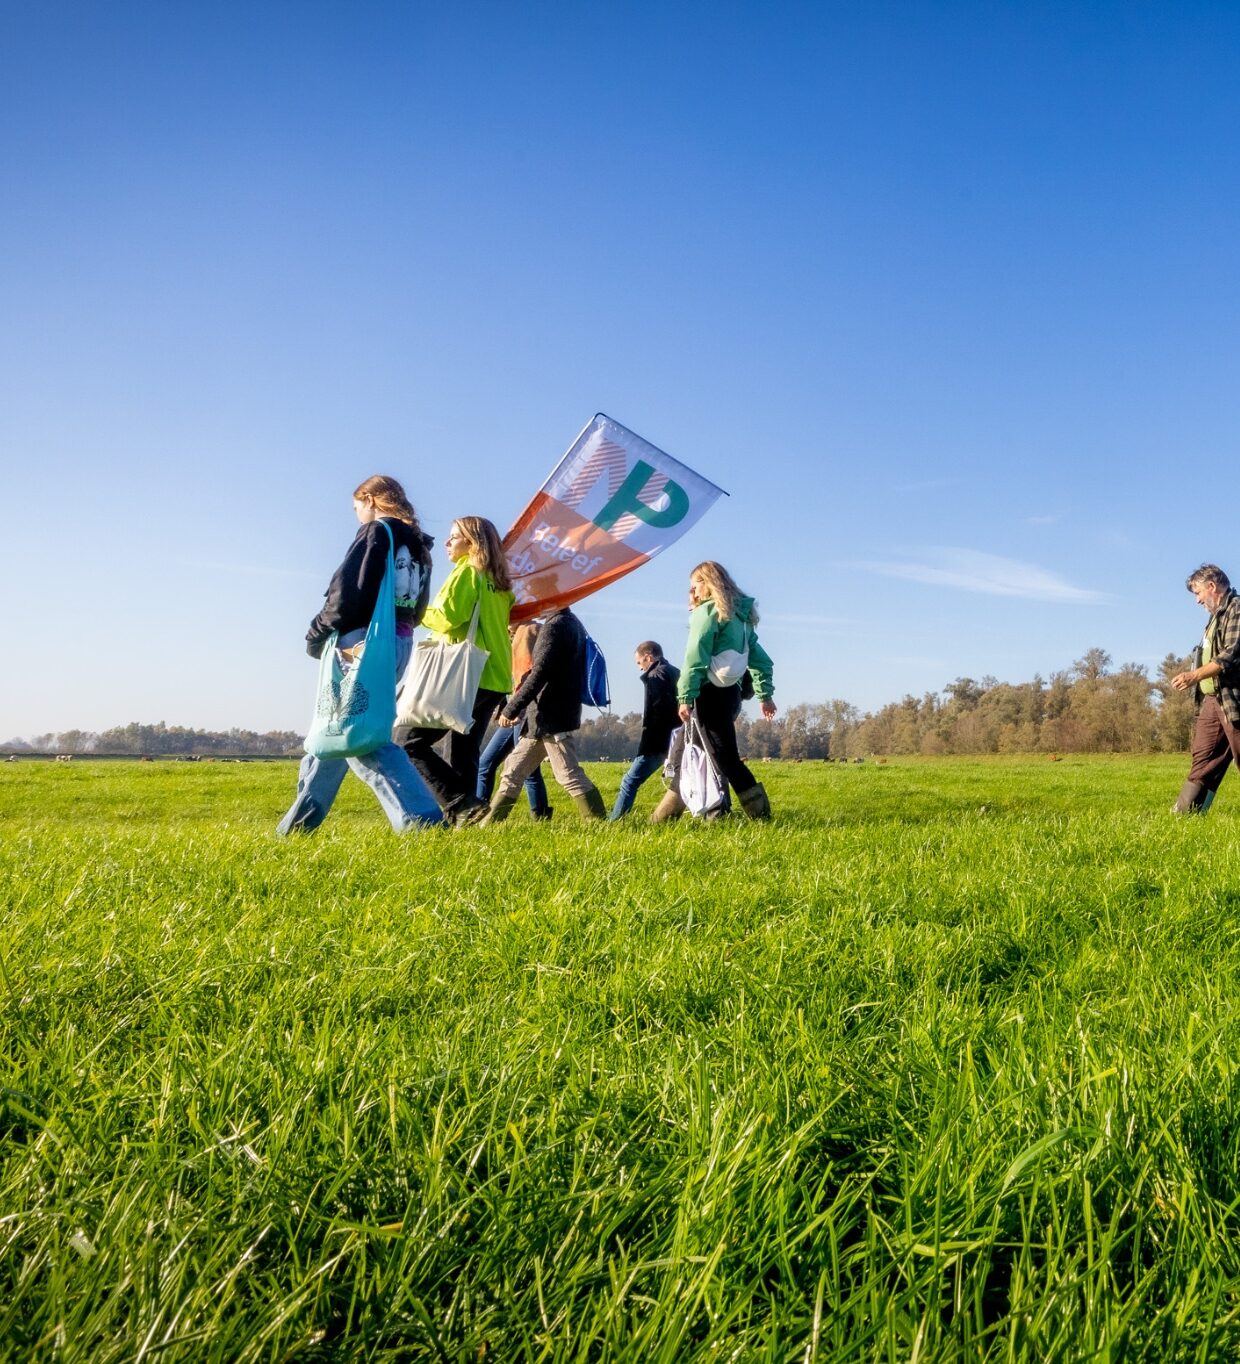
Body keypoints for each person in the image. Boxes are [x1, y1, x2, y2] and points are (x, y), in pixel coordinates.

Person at [278, 476, 442, 834]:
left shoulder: (377, 533)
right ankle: (295, 829)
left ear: (368, 499)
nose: (357, 516)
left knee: (361, 736)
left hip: (361, 641)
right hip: (398, 641)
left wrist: (316, 633)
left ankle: (422, 820)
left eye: (356, 508)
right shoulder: (417, 543)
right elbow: (420, 605)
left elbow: (349, 593)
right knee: (333, 731)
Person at [398, 516, 514, 825]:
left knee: (407, 741)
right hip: (494, 676)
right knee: (464, 751)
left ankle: (457, 801)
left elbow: (450, 617)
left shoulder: (467, 573)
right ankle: (463, 818)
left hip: (463, 674)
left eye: (454, 537)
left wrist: (417, 613)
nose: (447, 543)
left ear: (472, 543)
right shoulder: (499, 583)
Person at [652, 560, 776, 822]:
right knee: (691, 752)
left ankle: (756, 816)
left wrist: (685, 696)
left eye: (695, 584)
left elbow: (694, 658)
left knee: (725, 758)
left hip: (706, 695)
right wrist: (765, 695)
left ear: (707, 583)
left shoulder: (707, 613)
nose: (693, 591)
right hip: (730, 694)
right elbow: (761, 661)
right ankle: (660, 820)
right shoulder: (741, 618)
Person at [481, 605, 607, 823]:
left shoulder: (555, 627)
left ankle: (598, 824)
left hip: (551, 717)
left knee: (568, 774)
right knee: (513, 771)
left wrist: (512, 708)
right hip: (546, 718)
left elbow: (539, 674)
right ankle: (488, 825)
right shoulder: (571, 623)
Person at [1170, 563, 1240, 813]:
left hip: (1235, 698)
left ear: (1212, 586)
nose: (1197, 600)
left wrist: (1194, 675)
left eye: (1198, 593)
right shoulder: (1214, 617)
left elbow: (1230, 655)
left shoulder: (1237, 609)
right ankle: (1187, 814)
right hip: (1212, 698)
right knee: (1204, 758)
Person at [476, 620, 552, 820]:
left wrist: (515, 709)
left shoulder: (530, 631)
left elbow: (531, 674)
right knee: (486, 763)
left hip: (525, 710)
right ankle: (477, 811)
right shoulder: (507, 635)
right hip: (514, 710)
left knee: (526, 768)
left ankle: (540, 816)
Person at [609, 640, 680, 820]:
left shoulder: (656, 675)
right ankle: (664, 818)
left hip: (658, 739)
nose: (640, 668)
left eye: (640, 663)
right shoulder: (675, 672)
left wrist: (649, 742)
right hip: (677, 738)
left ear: (648, 657)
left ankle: (615, 822)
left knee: (629, 781)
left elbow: (657, 711)